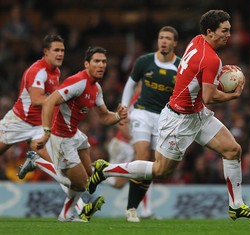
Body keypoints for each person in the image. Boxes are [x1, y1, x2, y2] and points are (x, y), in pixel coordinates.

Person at [87, 10, 250, 220]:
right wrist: (232, 95)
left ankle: (236, 205)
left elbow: (201, 89)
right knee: (161, 170)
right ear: (210, 32)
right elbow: (209, 96)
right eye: (224, 31)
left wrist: (215, 81)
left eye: (229, 30)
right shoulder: (211, 59)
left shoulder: (197, 41)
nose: (229, 34)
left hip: (197, 114)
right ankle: (105, 170)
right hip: (178, 120)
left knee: (232, 150)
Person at [10, 35, 103, 221]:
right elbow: (43, 101)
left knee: (82, 177)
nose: (61, 53)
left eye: (62, 50)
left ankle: (69, 212)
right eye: (57, 50)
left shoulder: (57, 73)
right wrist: (49, 125)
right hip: (32, 122)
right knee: (71, 176)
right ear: (46, 52)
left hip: (51, 125)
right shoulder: (39, 71)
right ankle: (38, 162)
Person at [31, 46, 128, 222]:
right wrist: (46, 133)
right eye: (97, 61)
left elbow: (105, 117)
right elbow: (49, 102)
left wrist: (118, 116)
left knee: (89, 177)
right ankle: (37, 161)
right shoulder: (78, 82)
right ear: (86, 64)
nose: (101, 65)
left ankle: (66, 214)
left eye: (104, 61)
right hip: (61, 137)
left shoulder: (96, 88)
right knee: (81, 184)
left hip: (74, 134)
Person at [119, 25, 180, 222]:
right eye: (161, 37)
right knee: (143, 155)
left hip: (164, 118)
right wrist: (123, 110)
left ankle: (141, 208)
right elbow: (130, 85)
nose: (164, 41)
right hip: (142, 113)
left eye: (168, 38)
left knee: (155, 165)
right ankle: (132, 209)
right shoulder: (145, 61)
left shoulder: (180, 66)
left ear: (174, 43)